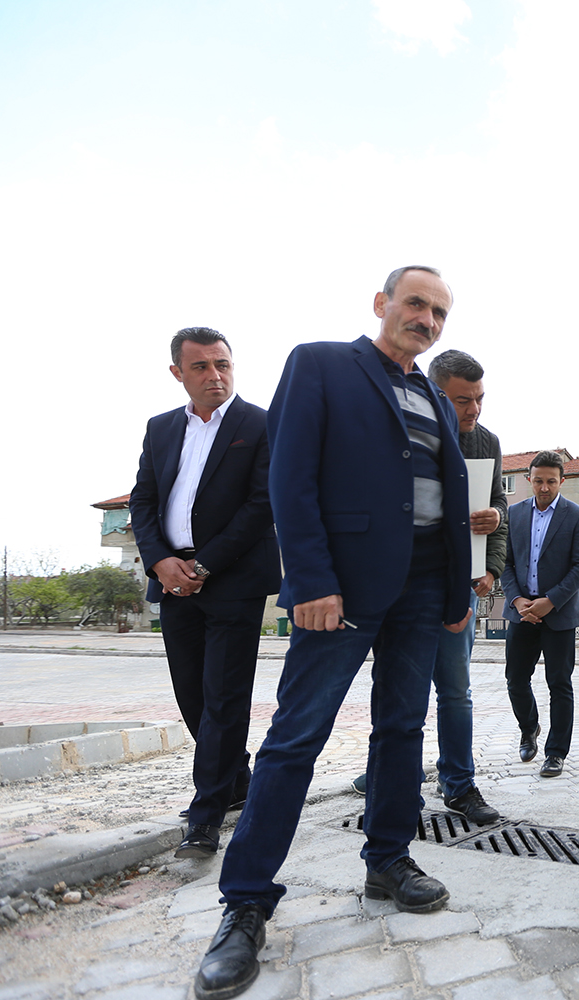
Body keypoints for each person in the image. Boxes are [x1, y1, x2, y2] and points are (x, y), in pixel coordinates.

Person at [192, 266, 473, 1000]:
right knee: (296, 738)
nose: (427, 319)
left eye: (439, 312)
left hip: (421, 588)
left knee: (403, 728)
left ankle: (389, 860)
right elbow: (289, 478)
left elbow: (446, 502)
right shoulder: (320, 364)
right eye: (415, 304)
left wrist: (455, 591)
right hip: (340, 588)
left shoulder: (434, 398)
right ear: (382, 303)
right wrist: (311, 580)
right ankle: (245, 901)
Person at [129, 327, 280, 860]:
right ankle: (236, 781)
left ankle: (206, 815)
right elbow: (143, 501)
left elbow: (262, 504)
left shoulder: (261, 423)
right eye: (201, 367)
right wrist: (160, 561)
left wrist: (205, 563)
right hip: (173, 580)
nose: (215, 376)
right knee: (191, 695)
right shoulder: (161, 428)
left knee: (224, 698)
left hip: (233, 579)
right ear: (178, 373)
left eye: (223, 365)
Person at [348, 348, 507, 826]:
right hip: (400, 584)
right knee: (396, 689)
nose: (474, 410)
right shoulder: (397, 429)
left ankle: (459, 784)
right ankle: (391, 779)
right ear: (433, 393)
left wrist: (493, 547)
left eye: (480, 399)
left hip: (457, 586)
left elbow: (497, 505)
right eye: (463, 400)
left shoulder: (486, 441)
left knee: (455, 691)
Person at [500, 450, 579, 778]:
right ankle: (529, 728)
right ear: (529, 479)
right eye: (538, 480)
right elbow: (505, 563)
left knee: (559, 683)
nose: (544, 487)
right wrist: (517, 601)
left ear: (561, 481)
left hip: (559, 614)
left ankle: (556, 753)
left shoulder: (576, 515)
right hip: (521, 612)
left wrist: (550, 601)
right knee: (515, 679)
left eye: (551, 481)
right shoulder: (514, 513)